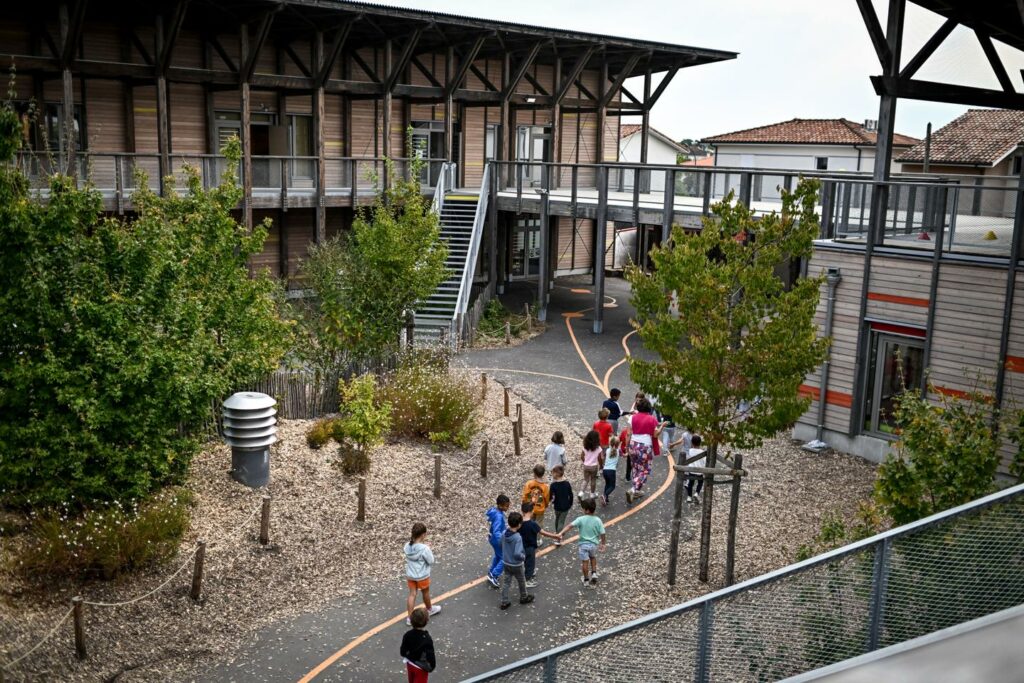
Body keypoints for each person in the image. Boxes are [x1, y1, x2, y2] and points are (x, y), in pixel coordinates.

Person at [556, 496, 607, 586]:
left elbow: (569, 526)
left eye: (583, 509)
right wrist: (603, 544)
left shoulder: (581, 519)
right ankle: (594, 573)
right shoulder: (598, 520)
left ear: (587, 510)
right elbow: (603, 533)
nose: (583, 510)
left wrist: (561, 533)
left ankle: (586, 580)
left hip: (583, 545)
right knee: (592, 557)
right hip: (593, 545)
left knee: (585, 562)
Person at [625, 398, 667, 504]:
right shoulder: (652, 419)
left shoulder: (632, 417)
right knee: (644, 470)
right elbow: (655, 435)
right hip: (645, 447)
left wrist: (626, 446)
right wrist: (662, 426)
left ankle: (636, 490)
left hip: (633, 444)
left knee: (635, 467)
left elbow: (628, 433)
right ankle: (633, 489)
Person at [404, 523, 441, 625]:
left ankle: (409, 618)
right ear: (423, 535)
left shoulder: (407, 546)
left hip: (410, 575)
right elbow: (431, 561)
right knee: (425, 592)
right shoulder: (424, 549)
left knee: (412, 594)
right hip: (422, 576)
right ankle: (429, 609)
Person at [519, 502, 561, 587]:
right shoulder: (533, 524)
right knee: (530, 563)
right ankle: (527, 580)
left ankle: (527, 574)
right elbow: (543, 533)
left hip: (521, 547)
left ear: (522, 511)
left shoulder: (519, 523)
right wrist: (555, 536)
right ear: (531, 511)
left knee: (525, 562)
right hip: (530, 547)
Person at [499, 511, 535, 609]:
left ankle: (504, 601)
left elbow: (500, 543)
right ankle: (524, 597)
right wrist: (523, 557)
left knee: (506, 582)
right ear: (519, 525)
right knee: (521, 580)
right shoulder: (517, 537)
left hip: (506, 562)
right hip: (516, 565)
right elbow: (517, 553)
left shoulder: (504, 533)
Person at [401, 606, 436, 683]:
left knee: (411, 680)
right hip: (421, 667)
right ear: (427, 621)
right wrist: (431, 666)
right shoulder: (427, 638)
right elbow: (430, 655)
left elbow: (403, 651)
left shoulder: (407, 634)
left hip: (410, 663)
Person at [485, 495, 510, 588]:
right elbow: (497, 531)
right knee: (505, 558)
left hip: (492, 538)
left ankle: (491, 572)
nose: (507, 508)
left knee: (498, 556)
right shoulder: (499, 516)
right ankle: (494, 575)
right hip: (497, 540)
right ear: (500, 506)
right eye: (506, 506)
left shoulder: (495, 512)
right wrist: (503, 541)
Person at [548, 465, 573, 545]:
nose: (552, 475)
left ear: (556, 474)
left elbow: (551, 496)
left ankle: (558, 534)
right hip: (565, 506)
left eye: (552, 473)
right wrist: (570, 503)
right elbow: (571, 495)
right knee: (561, 521)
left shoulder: (553, 485)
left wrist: (551, 501)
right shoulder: (567, 483)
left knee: (557, 519)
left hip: (557, 506)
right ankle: (559, 535)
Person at [521, 464, 550, 531]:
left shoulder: (529, 483)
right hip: (540, 508)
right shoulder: (545, 487)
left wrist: (523, 505)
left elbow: (525, 496)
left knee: (529, 522)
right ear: (543, 474)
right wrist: (545, 505)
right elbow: (546, 498)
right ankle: (538, 538)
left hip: (529, 508)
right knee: (539, 524)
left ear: (534, 473)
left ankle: (530, 534)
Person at [579, 429, 604, 500]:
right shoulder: (598, 448)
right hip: (594, 467)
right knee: (593, 480)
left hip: (586, 466)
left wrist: (585, 462)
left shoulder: (585, 447)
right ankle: (592, 494)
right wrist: (601, 466)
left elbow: (581, 456)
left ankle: (581, 493)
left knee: (585, 480)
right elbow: (600, 458)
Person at [686, 435, 707, 503]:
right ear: (700, 443)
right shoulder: (702, 452)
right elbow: (704, 461)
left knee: (690, 484)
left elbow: (688, 458)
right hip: (699, 471)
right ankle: (696, 493)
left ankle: (689, 497)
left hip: (691, 470)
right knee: (700, 483)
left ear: (692, 443)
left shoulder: (690, 450)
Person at [601, 435, 620, 506]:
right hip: (611, 471)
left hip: (605, 470)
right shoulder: (618, 451)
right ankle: (605, 495)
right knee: (612, 486)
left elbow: (604, 457)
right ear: (618, 445)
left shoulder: (607, 450)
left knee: (607, 484)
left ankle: (606, 499)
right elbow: (623, 454)